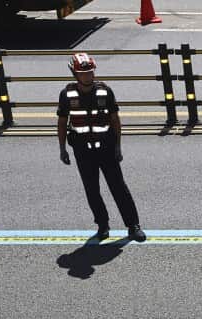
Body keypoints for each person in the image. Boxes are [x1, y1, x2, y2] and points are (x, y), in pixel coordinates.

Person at [56, 52, 145, 242]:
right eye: (83, 73)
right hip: (82, 150)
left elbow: (115, 120)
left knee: (118, 187)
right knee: (92, 189)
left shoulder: (105, 91)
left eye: (90, 72)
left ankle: (133, 225)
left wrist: (118, 146)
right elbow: (62, 123)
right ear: (75, 74)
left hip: (106, 148)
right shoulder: (66, 95)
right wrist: (62, 148)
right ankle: (103, 225)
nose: (88, 76)